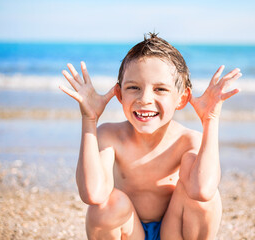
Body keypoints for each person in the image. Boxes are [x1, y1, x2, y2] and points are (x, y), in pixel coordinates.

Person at [60, 33, 241, 240]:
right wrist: (89, 120)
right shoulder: (109, 136)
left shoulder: (187, 140)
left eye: (160, 89)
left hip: (173, 233)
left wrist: (210, 120)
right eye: (133, 87)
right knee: (107, 205)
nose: (145, 99)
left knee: (205, 200)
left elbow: (203, 191)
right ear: (119, 95)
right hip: (128, 231)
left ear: (182, 99)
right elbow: (93, 194)